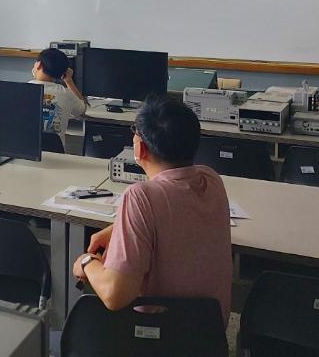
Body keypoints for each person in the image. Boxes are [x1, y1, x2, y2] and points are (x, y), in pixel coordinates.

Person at [71, 95, 233, 325]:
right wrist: (118, 229)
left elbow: (115, 295)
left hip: (160, 335)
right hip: (210, 330)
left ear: (140, 148)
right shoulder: (211, 178)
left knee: (87, 319)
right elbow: (177, 216)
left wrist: (86, 262)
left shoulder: (140, 196)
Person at [29, 48, 87, 136]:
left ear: (39, 64)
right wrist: (69, 81)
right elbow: (82, 110)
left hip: (25, 144)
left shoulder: (20, 90)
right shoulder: (66, 94)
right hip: (54, 145)